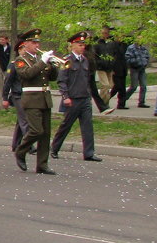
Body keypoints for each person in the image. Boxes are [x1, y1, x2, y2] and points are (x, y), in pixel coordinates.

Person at [51, 32, 108, 162]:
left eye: (83, 45)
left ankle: (89, 153)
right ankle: (54, 148)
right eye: (80, 44)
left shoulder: (85, 60)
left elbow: (87, 80)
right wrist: (65, 96)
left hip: (84, 99)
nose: (83, 47)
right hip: (73, 99)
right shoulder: (67, 61)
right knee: (66, 126)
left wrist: (89, 94)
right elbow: (62, 81)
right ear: (73, 46)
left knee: (88, 127)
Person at [13, 29, 59, 174]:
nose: (36, 45)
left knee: (45, 133)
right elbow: (27, 74)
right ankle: (21, 151)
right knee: (36, 130)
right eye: (33, 42)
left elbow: (52, 78)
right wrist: (43, 61)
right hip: (31, 99)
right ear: (25, 44)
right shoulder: (21, 60)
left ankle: (42, 164)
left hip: (45, 98)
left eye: (38, 42)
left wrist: (53, 66)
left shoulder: (40, 59)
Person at [123, 34, 151, 108]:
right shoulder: (131, 48)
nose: (140, 41)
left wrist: (145, 63)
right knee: (134, 86)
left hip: (142, 69)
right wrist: (136, 62)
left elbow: (147, 56)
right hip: (134, 69)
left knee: (144, 86)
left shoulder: (143, 48)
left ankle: (141, 102)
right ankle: (123, 99)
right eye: (139, 39)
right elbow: (128, 58)